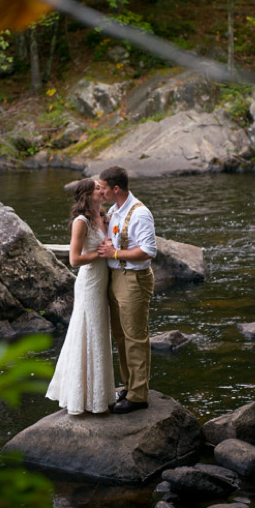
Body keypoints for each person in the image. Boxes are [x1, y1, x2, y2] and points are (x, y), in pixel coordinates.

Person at [46, 178, 115, 415]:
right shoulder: (81, 222)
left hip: (105, 280)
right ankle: (86, 399)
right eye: (97, 187)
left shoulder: (105, 217)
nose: (102, 190)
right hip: (90, 283)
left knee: (100, 334)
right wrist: (100, 253)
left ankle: (100, 394)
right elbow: (74, 260)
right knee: (90, 333)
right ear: (87, 194)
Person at [96, 165, 157, 414]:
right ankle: (129, 386)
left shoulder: (140, 213)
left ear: (116, 189)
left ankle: (139, 395)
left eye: (102, 188)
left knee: (135, 336)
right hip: (115, 277)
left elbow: (148, 250)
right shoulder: (114, 210)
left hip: (134, 279)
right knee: (120, 336)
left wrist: (115, 252)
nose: (99, 191)